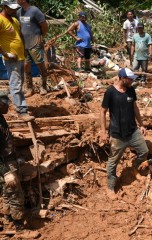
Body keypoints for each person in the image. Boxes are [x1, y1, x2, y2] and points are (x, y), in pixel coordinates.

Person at [100, 68, 149, 199]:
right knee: (113, 161)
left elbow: (135, 108)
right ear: (122, 78)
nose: (132, 81)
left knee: (144, 151)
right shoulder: (110, 92)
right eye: (130, 79)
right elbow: (103, 112)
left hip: (132, 131)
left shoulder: (131, 90)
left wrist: (141, 125)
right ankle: (110, 186)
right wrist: (103, 132)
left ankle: (135, 169)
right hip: (117, 134)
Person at [0, 0, 33, 120]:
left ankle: (18, 105)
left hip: (20, 57)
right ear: (4, 6)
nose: (14, 10)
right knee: (16, 84)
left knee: (19, 83)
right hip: (11, 58)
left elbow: (19, 37)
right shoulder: (0, 20)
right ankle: (22, 111)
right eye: (11, 8)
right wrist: (6, 54)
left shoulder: (14, 20)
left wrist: (24, 53)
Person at [0, 90, 25, 231]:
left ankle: (8, 218)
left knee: (7, 192)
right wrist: (6, 172)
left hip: (8, 160)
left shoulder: (0, 117)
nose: (8, 107)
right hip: (4, 164)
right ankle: (19, 226)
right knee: (15, 193)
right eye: (5, 104)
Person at [16, 0, 48, 96]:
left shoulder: (35, 11)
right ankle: (29, 88)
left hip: (35, 42)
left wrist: (41, 37)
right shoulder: (18, 12)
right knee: (26, 65)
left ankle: (43, 86)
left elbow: (44, 26)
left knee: (40, 64)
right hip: (25, 44)